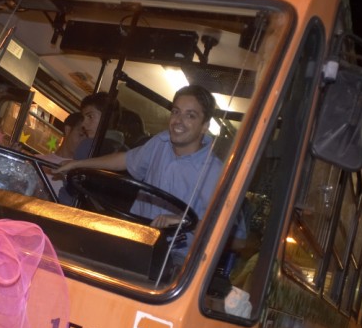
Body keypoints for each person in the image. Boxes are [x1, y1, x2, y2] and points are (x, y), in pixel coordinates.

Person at [56, 84, 243, 268]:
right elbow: (124, 160)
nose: (178, 120)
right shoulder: (160, 143)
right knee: (78, 253)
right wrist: (78, 164)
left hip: (176, 256)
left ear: (205, 126)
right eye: (176, 112)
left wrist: (185, 222)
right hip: (136, 237)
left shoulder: (216, 173)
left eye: (190, 115)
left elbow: (236, 239)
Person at [35, 112, 86, 195]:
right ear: (68, 130)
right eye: (81, 135)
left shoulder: (82, 172)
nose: (83, 142)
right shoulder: (37, 160)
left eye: (87, 139)